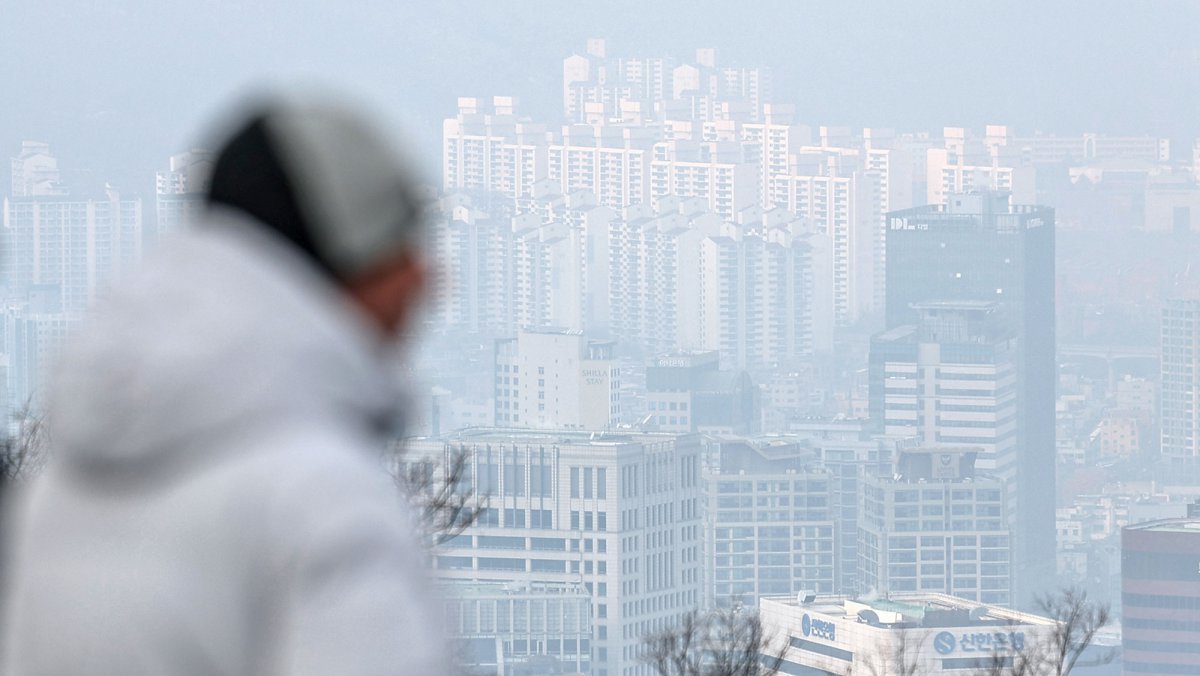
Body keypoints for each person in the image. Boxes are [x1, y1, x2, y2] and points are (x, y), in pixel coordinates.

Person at [0, 93, 448, 675]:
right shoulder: (320, 500)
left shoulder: (57, 488)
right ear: (353, 261)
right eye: (402, 246)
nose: (428, 279)